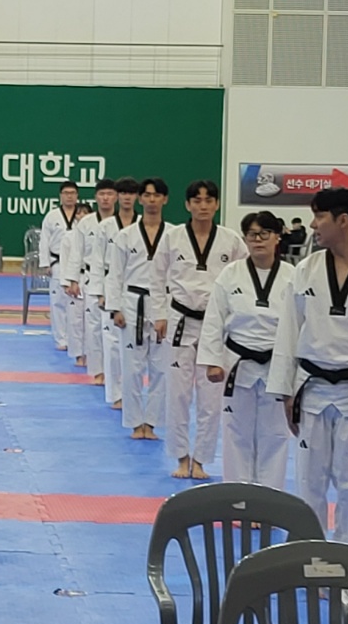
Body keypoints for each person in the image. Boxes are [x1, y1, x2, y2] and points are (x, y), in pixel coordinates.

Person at [267, 187, 348, 545]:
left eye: (320, 217)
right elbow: (289, 330)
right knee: (308, 482)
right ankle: (309, 552)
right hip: (312, 388)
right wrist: (284, 391)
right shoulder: (306, 269)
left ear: (343, 220)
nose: (313, 225)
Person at [153, 179, 247, 480]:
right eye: (197, 200)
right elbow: (157, 277)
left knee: (211, 397)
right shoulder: (173, 237)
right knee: (177, 394)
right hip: (180, 320)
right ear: (187, 204)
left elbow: (244, 278)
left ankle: (202, 460)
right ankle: (181, 457)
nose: (203, 206)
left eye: (208, 200)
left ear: (217, 204)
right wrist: (159, 314)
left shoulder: (231, 240)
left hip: (216, 324)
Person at [197, 211, 295, 488]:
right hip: (237, 362)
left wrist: (298, 369)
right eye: (252, 234)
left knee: (275, 435)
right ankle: (238, 497)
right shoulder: (231, 274)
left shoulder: (293, 276)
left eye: (265, 233)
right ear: (245, 239)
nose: (258, 240)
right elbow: (214, 318)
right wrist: (212, 361)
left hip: (277, 364)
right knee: (235, 433)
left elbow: (302, 324)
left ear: (277, 237)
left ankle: (269, 497)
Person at [106, 178, 173, 441]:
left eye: (157, 195)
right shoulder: (125, 235)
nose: (152, 200)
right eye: (147, 195)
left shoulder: (175, 234)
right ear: (140, 199)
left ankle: (152, 423)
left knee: (161, 369)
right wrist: (115, 308)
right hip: (132, 303)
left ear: (165, 199)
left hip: (164, 304)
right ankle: (135, 423)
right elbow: (115, 274)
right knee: (132, 369)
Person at [61, 178, 117, 379]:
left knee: (113, 330)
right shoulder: (86, 223)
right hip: (90, 276)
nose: (105, 198)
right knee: (93, 328)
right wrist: (72, 279)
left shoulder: (122, 222)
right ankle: (98, 371)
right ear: (96, 197)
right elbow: (76, 252)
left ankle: (113, 372)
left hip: (115, 278)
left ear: (116, 197)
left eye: (109, 194)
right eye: (102, 194)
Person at [93, 177, 140, 407]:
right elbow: (96, 261)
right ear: (117, 197)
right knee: (112, 346)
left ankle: (132, 394)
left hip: (136, 287)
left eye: (131, 193)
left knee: (135, 348)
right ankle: (116, 395)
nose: (127, 197)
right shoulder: (105, 226)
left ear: (137, 197)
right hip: (110, 283)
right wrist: (100, 293)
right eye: (123, 193)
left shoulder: (143, 225)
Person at [39, 182, 81, 355]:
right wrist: (45, 263)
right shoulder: (52, 216)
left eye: (72, 193)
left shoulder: (83, 215)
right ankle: (61, 339)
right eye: (66, 193)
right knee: (58, 302)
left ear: (77, 195)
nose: (69, 196)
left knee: (77, 303)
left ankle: (76, 339)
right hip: (57, 262)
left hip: (79, 264)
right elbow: (44, 240)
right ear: (60, 195)